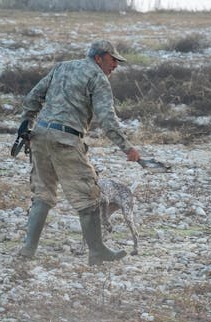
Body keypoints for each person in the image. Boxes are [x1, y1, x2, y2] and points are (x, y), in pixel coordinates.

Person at [16, 39, 140, 266]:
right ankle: (97, 251)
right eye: (113, 60)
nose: (116, 65)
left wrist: (26, 121)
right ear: (99, 58)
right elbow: (107, 119)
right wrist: (127, 148)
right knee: (89, 197)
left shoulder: (62, 67)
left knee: (42, 195)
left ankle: (28, 250)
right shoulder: (98, 78)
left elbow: (32, 97)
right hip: (66, 140)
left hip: (40, 137)